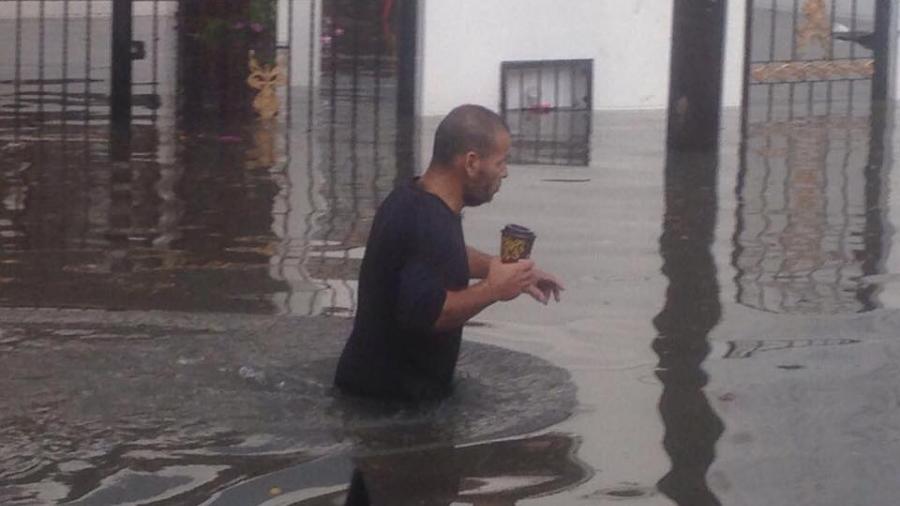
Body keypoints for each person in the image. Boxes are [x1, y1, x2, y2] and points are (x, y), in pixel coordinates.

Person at [333, 104, 563, 402]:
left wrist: (500, 267)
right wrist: (493, 288)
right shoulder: (430, 221)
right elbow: (427, 314)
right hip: (390, 408)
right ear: (471, 162)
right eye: (501, 162)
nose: (504, 173)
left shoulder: (409, 196)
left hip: (363, 387)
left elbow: (436, 255)